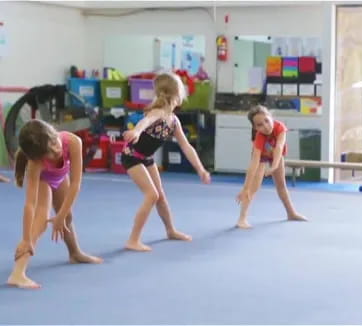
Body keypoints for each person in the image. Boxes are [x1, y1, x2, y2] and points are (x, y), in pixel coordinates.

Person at [7, 120, 102, 289]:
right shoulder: (36, 164)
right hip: (44, 180)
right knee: (41, 221)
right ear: (39, 157)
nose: (57, 151)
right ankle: (17, 273)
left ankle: (74, 253)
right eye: (50, 153)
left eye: (55, 145)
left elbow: (75, 184)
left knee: (68, 216)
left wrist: (61, 216)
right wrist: (27, 239)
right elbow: (30, 204)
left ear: (53, 133)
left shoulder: (73, 142)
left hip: (61, 178)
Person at [121, 73, 210, 252]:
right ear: (176, 94)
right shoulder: (159, 113)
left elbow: (186, 147)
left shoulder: (173, 121)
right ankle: (133, 240)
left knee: (160, 195)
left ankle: (170, 230)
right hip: (132, 155)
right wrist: (137, 132)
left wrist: (200, 169)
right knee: (151, 195)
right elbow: (145, 121)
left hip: (146, 158)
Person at [235, 105, 307, 229]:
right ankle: (242, 219)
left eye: (267, 121)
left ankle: (291, 213)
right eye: (259, 125)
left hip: (276, 156)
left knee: (281, 186)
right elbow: (254, 163)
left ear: (271, 117)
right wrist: (245, 188)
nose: (265, 127)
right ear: (255, 127)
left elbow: (279, 147)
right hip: (262, 157)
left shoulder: (280, 128)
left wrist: (274, 167)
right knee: (252, 189)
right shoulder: (259, 137)